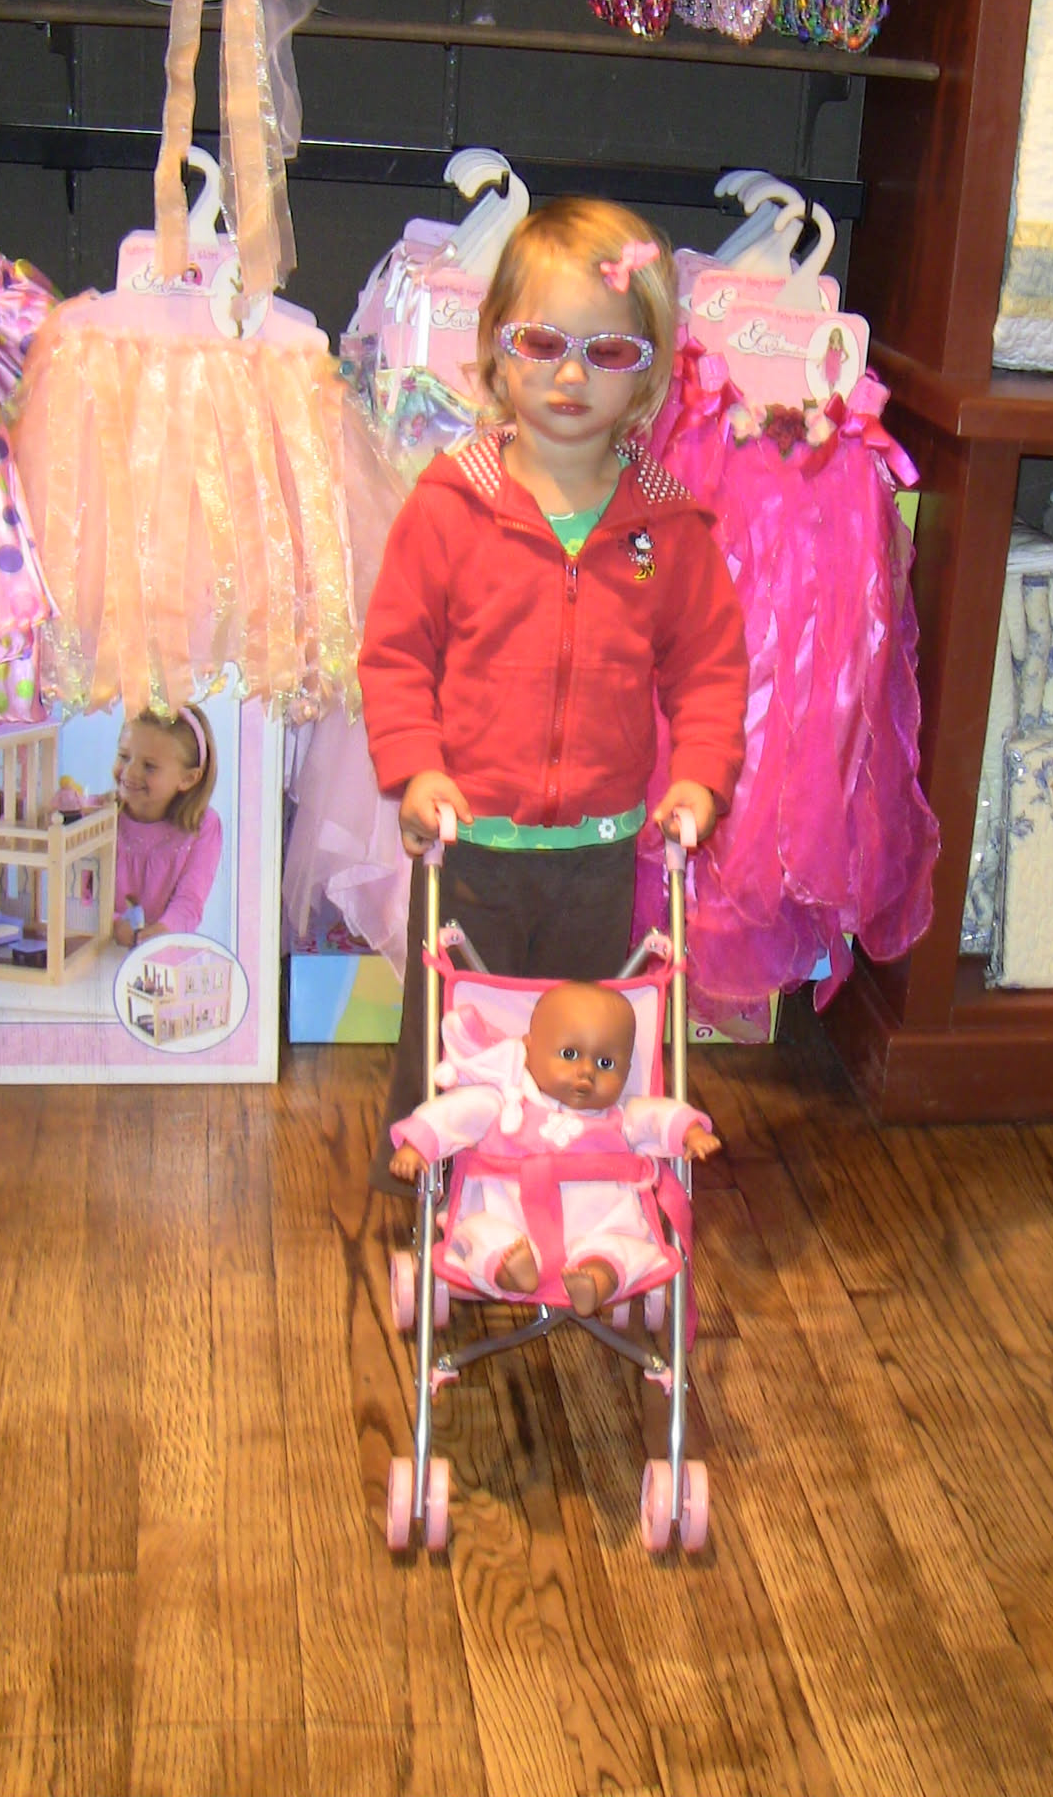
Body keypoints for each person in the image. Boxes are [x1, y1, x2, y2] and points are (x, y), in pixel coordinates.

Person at [359, 195, 749, 1197]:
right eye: (543, 344)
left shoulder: (666, 528)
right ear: (497, 349)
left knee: (584, 1046)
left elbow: (709, 668)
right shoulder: (452, 504)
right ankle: (432, 1194)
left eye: (607, 352)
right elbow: (395, 653)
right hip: (470, 841)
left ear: (647, 373)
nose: (571, 376)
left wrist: (701, 778)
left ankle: (574, 1197)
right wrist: (416, 768)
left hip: (600, 853)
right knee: (453, 1034)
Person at [389, 981, 720, 1314]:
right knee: (481, 1233)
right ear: (528, 1049)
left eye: (606, 1064)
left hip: (596, 1225)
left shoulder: (622, 1116)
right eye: (569, 1055)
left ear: (627, 1072)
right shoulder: (504, 1103)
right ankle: (509, 1269)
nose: (586, 1072)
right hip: (509, 1218)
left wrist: (689, 1131)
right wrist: (417, 1145)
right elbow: (455, 1113)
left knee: (624, 1247)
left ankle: (597, 1278)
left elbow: (658, 1115)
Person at [111, 704, 222, 945]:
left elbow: (189, 901)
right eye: (124, 757)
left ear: (188, 778)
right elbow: (79, 899)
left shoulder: (203, 826)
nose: (130, 772)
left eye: (149, 766)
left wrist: (161, 933)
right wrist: (115, 924)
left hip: (164, 955)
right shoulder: (97, 818)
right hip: (97, 955)